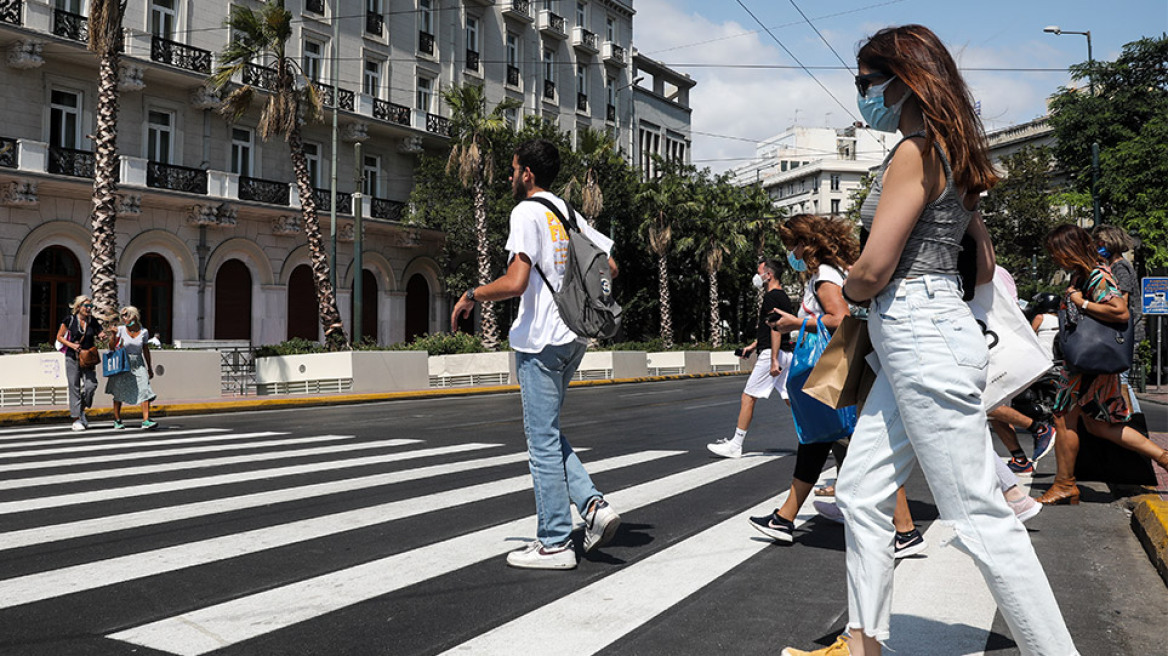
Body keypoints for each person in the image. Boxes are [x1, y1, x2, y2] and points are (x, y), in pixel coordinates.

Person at [782, 25, 1077, 656]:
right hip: (929, 327)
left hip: (916, 329)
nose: (863, 95)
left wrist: (852, 298)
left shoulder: (916, 152)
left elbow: (875, 265)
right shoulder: (957, 157)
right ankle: (865, 644)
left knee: (979, 517)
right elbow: (987, 266)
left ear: (903, 78)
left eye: (866, 82)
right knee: (861, 493)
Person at [450, 139, 620, 570]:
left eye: (512, 170)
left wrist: (472, 294)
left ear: (527, 173)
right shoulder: (567, 212)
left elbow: (516, 281)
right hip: (574, 337)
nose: (509, 176)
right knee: (547, 433)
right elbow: (610, 265)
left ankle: (556, 542)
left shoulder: (526, 211)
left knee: (541, 441)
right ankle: (594, 507)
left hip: (540, 340)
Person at [746, 214, 924, 555]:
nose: (791, 253)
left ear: (807, 243)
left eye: (793, 245)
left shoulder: (824, 274)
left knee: (855, 443)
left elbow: (839, 319)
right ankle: (784, 519)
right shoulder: (838, 269)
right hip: (846, 362)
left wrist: (795, 323)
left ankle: (905, 531)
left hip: (838, 363)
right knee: (820, 438)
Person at [1035, 225, 1168, 506]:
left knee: (1063, 416)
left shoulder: (1097, 275)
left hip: (1088, 363)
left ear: (1070, 249)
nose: (1054, 258)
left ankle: (1065, 484)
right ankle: (1164, 458)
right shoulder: (1084, 274)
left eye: (1056, 252)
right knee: (1099, 425)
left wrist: (1081, 304)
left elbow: (1119, 310)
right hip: (1088, 361)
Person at [706, 257, 795, 459]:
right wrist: (753, 346)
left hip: (774, 354)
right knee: (792, 399)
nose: (757, 277)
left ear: (768, 275)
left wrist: (772, 359)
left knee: (748, 396)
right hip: (784, 352)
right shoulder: (783, 296)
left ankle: (735, 445)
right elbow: (770, 329)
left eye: (759, 272)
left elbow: (776, 328)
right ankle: (822, 438)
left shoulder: (771, 297)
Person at [1092, 224, 1143, 414]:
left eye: (1100, 243)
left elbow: (1121, 302)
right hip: (1121, 332)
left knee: (1120, 380)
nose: (1097, 247)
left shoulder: (1121, 267)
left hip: (1125, 333)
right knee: (1118, 380)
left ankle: (1136, 422)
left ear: (1111, 242)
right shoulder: (1112, 266)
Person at [55, 295, 104, 432]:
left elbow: (100, 333)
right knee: (74, 387)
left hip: (88, 358)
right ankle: (76, 418)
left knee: (91, 385)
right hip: (72, 357)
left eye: (90, 307)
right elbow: (59, 337)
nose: (89, 309)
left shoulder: (92, 321)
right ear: (78, 307)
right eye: (86, 306)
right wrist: (71, 345)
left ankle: (81, 409)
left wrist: (102, 335)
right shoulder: (69, 320)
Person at [106, 306, 158, 430]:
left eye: (126, 315)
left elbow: (145, 349)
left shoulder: (144, 332)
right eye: (122, 315)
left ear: (134, 316)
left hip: (138, 362)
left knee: (144, 388)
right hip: (123, 362)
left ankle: (146, 420)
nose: (124, 318)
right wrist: (113, 335)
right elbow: (111, 347)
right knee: (119, 390)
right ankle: (117, 419)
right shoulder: (120, 330)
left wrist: (149, 367)